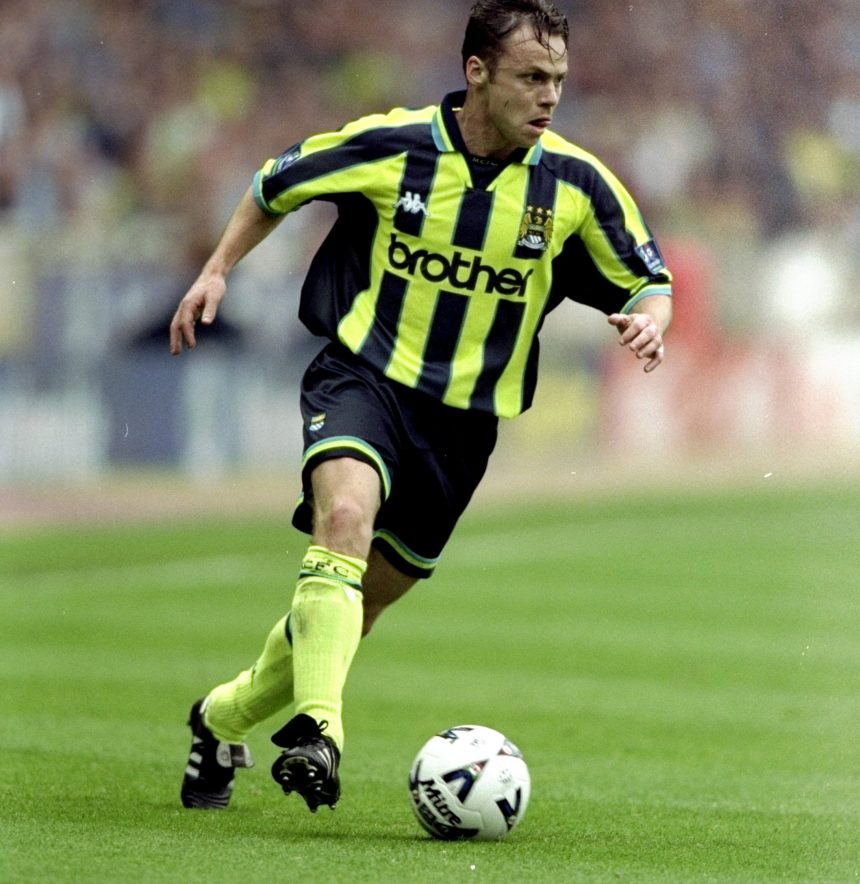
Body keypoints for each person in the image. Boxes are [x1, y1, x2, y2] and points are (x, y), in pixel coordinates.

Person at [170, 0, 672, 814]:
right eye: (531, 77)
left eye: (558, 79)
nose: (550, 96)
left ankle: (219, 720)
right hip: (363, 379)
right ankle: (321, 732)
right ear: (477, 72)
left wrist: (651, 321)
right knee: (343, 520)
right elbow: (275, 184)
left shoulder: (577, 183)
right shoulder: (393, 145)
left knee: (354, 609)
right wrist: (217, 268)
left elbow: (649, 277)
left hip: (462, 430)